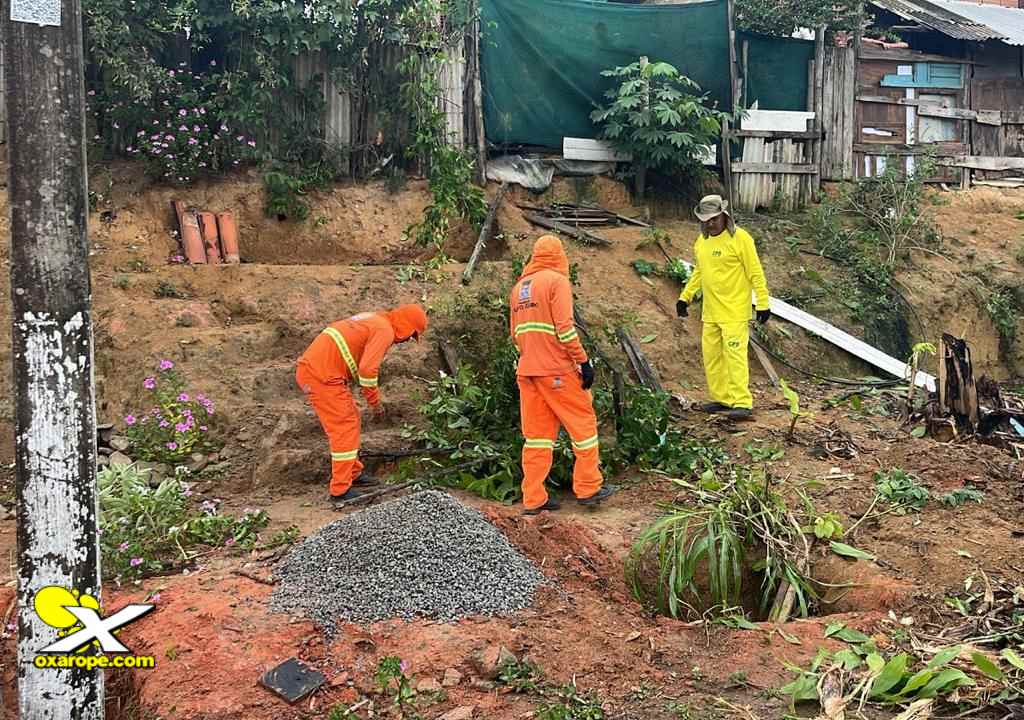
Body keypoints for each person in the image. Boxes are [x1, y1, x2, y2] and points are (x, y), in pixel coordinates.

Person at [510, 235, 617, 515]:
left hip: (528, 371)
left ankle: (533, 498)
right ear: (559, 256)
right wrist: (583, 361)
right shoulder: (556, 281)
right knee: (583, 426)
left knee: (537, 437)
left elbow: (515, 335)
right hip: (556, 369)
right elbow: (565, 329)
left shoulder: (519, 288)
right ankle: (588, 487)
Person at [296, 304, 428, 502]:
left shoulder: (375, 319)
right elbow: (367, 370)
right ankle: (340, 490)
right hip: (321, 376)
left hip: (319, 371)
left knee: (351, 419)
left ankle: (352, 473)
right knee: (344, 427)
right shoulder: (384, 330)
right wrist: (375, 403)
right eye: (411, 335)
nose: (407, 340)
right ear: (407, 327)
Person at [676, 195, 771, 421]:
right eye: (706, 220)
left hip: (734, 312)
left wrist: (763, 302)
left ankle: (742, 402)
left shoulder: (740, 239)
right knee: (712, 357)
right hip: (710, 312)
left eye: (714, 219)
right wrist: (685, 297)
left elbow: (755, 272)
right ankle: (723, 398)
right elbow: (699, 272)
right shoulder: (702, 242)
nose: (710, 223)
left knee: (734, 357)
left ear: (724, 216)